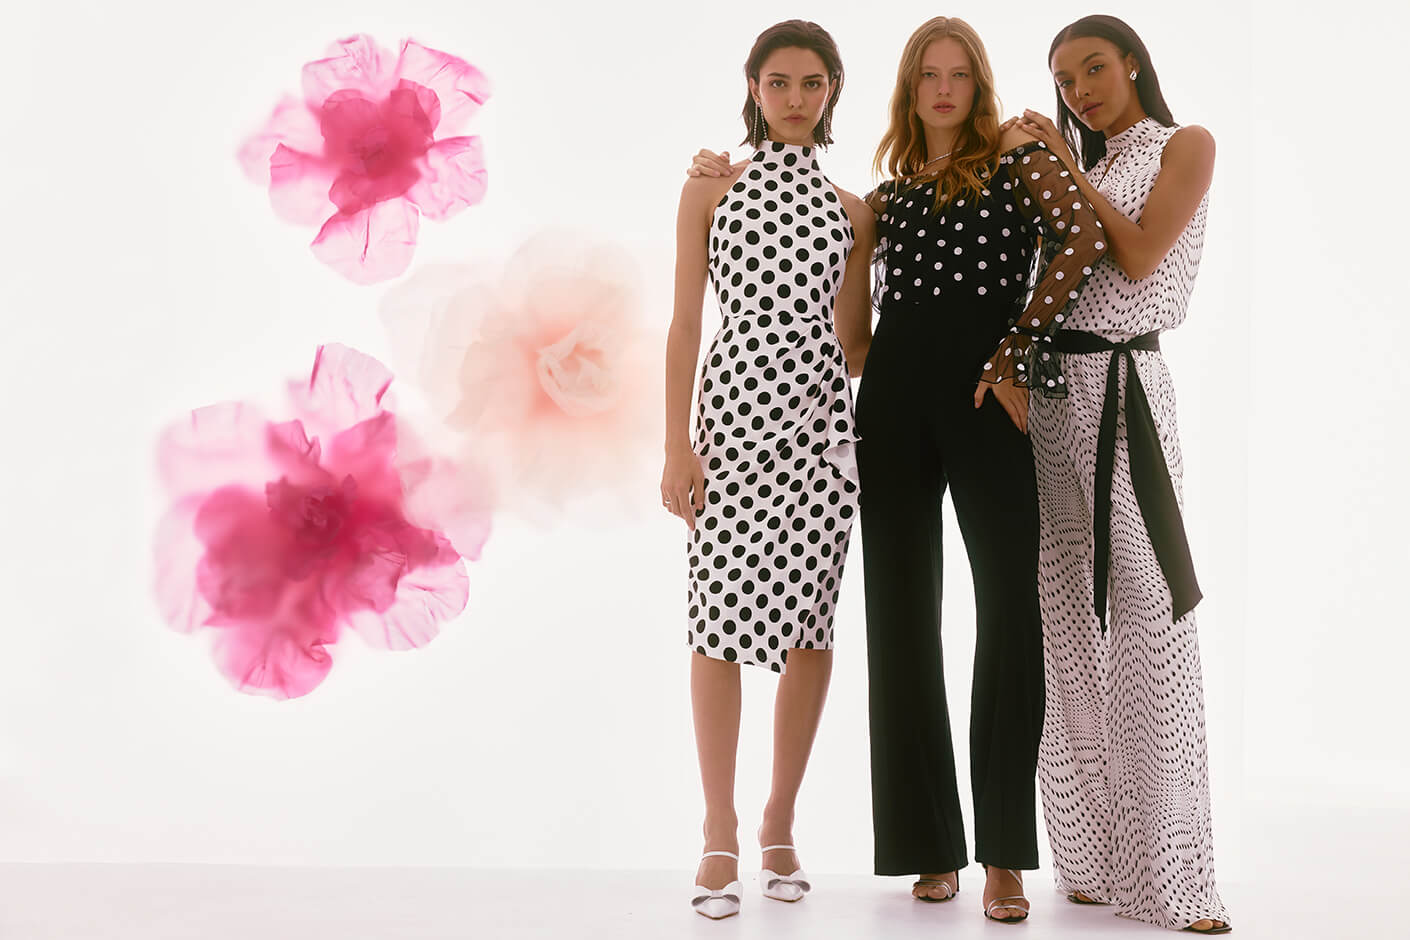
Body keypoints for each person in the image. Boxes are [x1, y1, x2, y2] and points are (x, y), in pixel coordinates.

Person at [689, 15, 1107, 924]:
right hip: (889, 406)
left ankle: (1005, 856)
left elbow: (1081, 238)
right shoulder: (883, 200)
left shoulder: (1015, 161)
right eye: (928, 75)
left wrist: (1016, 354)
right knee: (902, 624)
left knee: (1010, 616)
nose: (944, 90)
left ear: (980, 85)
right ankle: (929, 849)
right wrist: (714, 173)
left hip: (988, 401)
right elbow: (844, 325)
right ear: (908, 89)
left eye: (959, 75)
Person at [1004, 13, 1230, 934]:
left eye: (1093, 68)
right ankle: (1090, 863)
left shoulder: (1184, 145)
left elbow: (1136, 258)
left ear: (1131, 63)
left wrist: (1063, 163)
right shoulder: (1080, 166)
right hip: (1049, 396)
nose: (1080, 90)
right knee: (1061, 616)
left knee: (1150, 609)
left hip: (1126, 387)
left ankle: (1177, 881)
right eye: (1064, 80)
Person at [661, 18, 874, 920]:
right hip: (732, 422)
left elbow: (856, 346)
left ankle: (779, 818)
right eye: (778, 82)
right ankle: (718, 824)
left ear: (832, 92)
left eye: (811, 83)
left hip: (820, 431)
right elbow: (685, 323)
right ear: (753, 88)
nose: (794, 98)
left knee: (810, 627)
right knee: (716, 622)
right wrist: (676, 444)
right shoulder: (710, 189)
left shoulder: (855, 211)